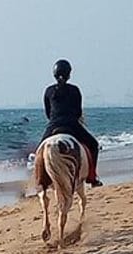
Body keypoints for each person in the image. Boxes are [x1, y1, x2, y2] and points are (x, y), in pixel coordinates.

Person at [40, 59, 102, 187]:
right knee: (94, 145)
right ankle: (92, 177)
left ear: (54, 74)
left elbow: (48, 114)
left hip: (53, 126)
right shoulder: (75, 90)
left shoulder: (48, 91)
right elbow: (78, 113)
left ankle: (41, 180)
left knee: (39, 152)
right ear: (69, 74)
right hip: (72, 125)